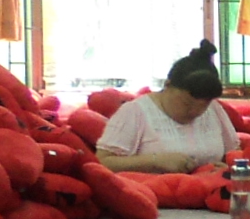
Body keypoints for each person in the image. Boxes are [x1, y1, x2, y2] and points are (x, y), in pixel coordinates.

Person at [94, 42, 238, 172]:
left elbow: (233, 153)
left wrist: (226, 168)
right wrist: (155, 161)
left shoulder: (214, 109)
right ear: (168, 85)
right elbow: (103, 162)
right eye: (186, 103)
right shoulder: (135, 112)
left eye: (204, 105)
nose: (195, 112)